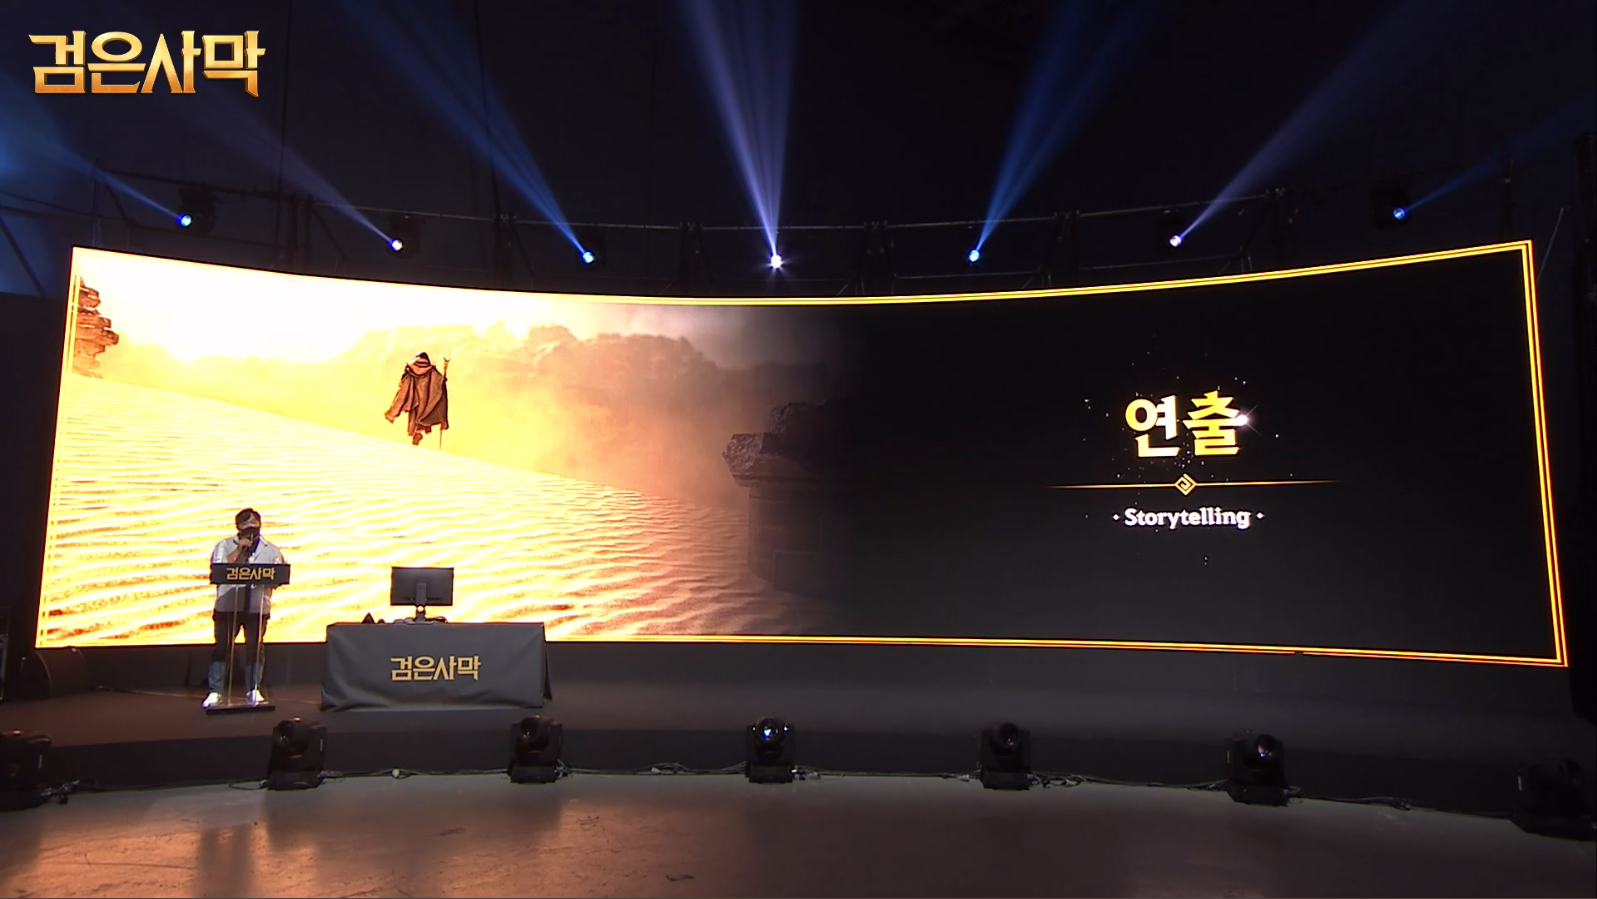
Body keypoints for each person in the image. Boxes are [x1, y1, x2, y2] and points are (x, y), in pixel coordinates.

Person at [203, 508, 286, 708]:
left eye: (253, 525)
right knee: (222, 648)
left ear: (260, 525)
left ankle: (253, 689)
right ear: (238, 528)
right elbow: (219, 570)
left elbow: (278, 576)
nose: (250, 530)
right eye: (245, 526)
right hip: (227, 607)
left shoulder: (271, 551)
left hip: (257, 609)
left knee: (255, 648)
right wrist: (239, 549)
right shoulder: (224, 546)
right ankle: (215, 691)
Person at [385, 351, 449, 446]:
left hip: (413, 400)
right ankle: (417, 434)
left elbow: (403, 389)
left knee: (414, 418)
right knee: (423, 417)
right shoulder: (432, 371)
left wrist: (393, 412)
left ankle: (415, 436)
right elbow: (439, 383)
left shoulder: (410, 370)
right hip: (426, 401)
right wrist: (443, 380)